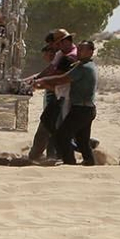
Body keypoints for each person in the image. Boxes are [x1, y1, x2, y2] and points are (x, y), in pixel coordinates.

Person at [33, 39, 97, 165]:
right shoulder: (84, 66)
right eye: (78, 49)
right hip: (85, 109)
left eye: (82, 49)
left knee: (62, 136)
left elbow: (63, 79)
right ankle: (89, 161)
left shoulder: (83, 68)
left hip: (81, 109)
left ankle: (70, 162)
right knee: (82, 140)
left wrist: (43, 80)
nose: (79, 52)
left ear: (90, 52)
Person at [25, 31, 75, 160]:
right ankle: (50, 154)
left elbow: (59, 77)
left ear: (65, 41)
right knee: (52, 126)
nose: (55, 48)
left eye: (57, 44)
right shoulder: (61, 54)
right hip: (58, 95)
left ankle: (41, 155)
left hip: (64, 97)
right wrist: (35, 79)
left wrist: (41, 83)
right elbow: (49, 70)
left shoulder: (71, 57)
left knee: (50, 126)